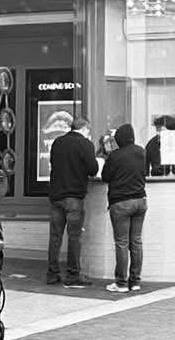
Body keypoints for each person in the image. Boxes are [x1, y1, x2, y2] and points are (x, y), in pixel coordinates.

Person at [46, 114, 98, 285]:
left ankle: (52, 273)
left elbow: (53, 164)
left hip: (56, 196)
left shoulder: (57, 143)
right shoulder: (85, 144)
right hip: (74, 197)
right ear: (85, 129)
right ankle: (73, 275)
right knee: (74, 236)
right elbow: (93, 169)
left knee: (55, 236)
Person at [100, 121, 148, 293]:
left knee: (121, 243)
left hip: (121, 203)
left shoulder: (115, 156)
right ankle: (135, 281)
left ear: (119, 139)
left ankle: (121, 283)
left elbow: (105, 176)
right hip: (140, 201)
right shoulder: (142, 152)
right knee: (136, 242)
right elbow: (146, 172)